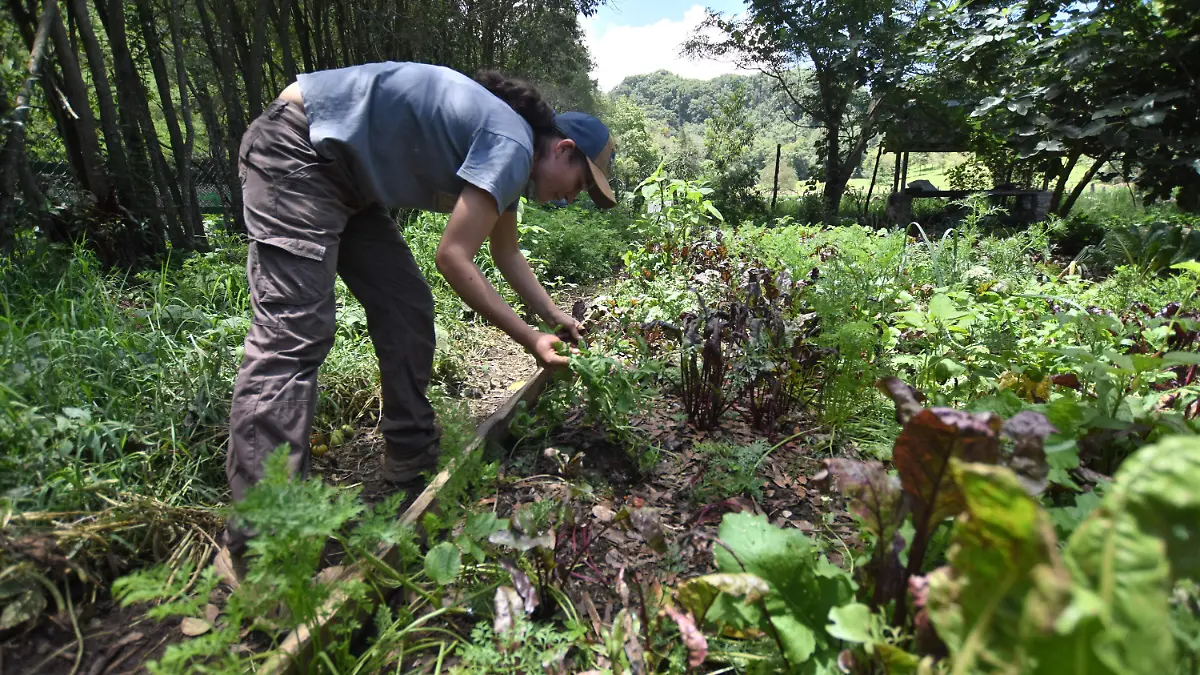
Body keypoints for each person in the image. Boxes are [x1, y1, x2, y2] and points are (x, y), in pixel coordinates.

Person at [223, 61, 617, 555]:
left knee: (405, 304)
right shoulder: (513, 145)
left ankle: (410, 458)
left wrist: (553, 316)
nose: (572, 198)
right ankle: (264, 538)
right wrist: (529, 339)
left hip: (349, 182)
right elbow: (453, 256)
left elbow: (506, 252)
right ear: (563, 149)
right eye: (580, 184)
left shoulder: (511, 153)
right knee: (293, 334)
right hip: (298, 148)